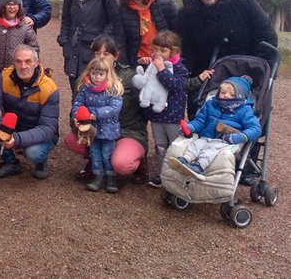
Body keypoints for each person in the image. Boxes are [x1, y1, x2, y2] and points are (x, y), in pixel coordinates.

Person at [64, 36, 149, 184]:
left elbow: (145, 109)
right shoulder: (86, 78)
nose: (101, 57)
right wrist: (78, 123)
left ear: (116, 56)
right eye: (97, 53)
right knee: (71, 140)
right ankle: (96, 160)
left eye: (106, 54)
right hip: (96, 128)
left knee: (121, 164)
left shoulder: (131, 77)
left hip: (126, 130)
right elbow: (76, 107)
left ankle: (137, 161)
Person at [177, 0, 278, 77]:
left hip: (245, 68)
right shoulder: (186, 13)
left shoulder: (244, 3)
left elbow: (266, 36)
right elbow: (185, 47)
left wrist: (257, 70)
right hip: (205, 74)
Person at [0, 45, 59, 180]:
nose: (23, 66)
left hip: (38, 131)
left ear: (36, 63)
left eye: (28, 61)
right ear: (14, 63)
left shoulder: (49, 89)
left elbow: (48, 129)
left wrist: (16, 139)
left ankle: (41, 161)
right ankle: (10, 162)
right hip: (13, 127)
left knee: (34, 153)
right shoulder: (5, 77)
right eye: (18, 61)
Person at [170, 76, 261, 179]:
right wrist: (190, 127)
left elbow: (255, 129)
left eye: (231, 94)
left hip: (226, 140)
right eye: (222, 92)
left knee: (211, 148)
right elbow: (200, 121)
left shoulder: (244, 110)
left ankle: (199, 166)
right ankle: (185, 159)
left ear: (240, 96)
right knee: (196, 144)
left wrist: (239, 137)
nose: (225, 96)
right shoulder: (211, 104)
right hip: (206, 136)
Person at [57, 0, 122, 95]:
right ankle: (75, 117)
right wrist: (64, 42)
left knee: (96, 92)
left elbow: (116, 21)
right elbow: (66, 19)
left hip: (96, 51)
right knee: (76, 92)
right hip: (74, 49)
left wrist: (101, 42)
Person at [141, 30, 189, 188]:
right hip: (156, 114)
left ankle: (176, 176)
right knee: (160, 146)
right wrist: (145, 66)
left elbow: (175, 85)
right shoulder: (153, 64)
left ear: (174, 51)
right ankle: (163, 174)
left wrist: (162, 70)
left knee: (175, 146)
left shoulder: (180, 68)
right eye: (155, 49)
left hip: (173, 116)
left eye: (163, 50)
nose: (158, 53)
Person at [71, 58, 124, 193]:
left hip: (108, 129)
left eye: (100, 74)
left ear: (107, 74)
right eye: (94, 73)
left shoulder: (112, 89)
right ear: (89, 73)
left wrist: (95, 113)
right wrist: (77, 116)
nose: (97, 77)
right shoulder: (85, 88)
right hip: (91, 129)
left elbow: (114, 108)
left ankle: (111, 178)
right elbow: (77, 104)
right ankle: (98, 177)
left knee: (107, 154)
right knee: (95, 154)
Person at [117, 0, 178, 66]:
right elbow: (120, 39)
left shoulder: (164, 3)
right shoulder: (123, 9)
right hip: (138, 61)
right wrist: (125, 63)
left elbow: (177, 30)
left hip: (165, 60)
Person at [0, 0, 38, 84]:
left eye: (15, 4)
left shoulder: (25, 27)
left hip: (17, 73)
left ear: (19, 6)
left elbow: (34, 47)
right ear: (3, 6)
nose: (12, 7)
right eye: (8, 4)